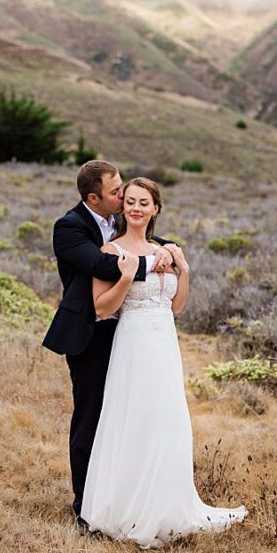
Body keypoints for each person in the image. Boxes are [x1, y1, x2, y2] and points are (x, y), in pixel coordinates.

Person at [79, 178, 247, 548]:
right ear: (123, 207)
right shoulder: (109, 250)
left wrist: (183, 269)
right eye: (131, 201)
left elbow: (178, 306)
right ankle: (130, 508)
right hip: (134, 344)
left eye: (145, 202)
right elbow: (102, 307)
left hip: (165, 345)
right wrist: (126, 276)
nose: (136, 208)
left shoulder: (165, 250)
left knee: (169, 421)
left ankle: (169, 505)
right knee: (137, 420)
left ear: (156, 208)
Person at [41, 160, 178, 529]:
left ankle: (127, 495)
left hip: (129, 331)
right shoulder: (69, 228)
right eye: (116, 192)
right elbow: (103, 265)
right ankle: (86, 505)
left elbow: (141, 234)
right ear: (93, 197)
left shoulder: (117, 217)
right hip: (91, 332)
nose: (123, 197)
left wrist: (168, 247)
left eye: (122, 189)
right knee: (91, 417)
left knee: (126, 415)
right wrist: (161, 263)